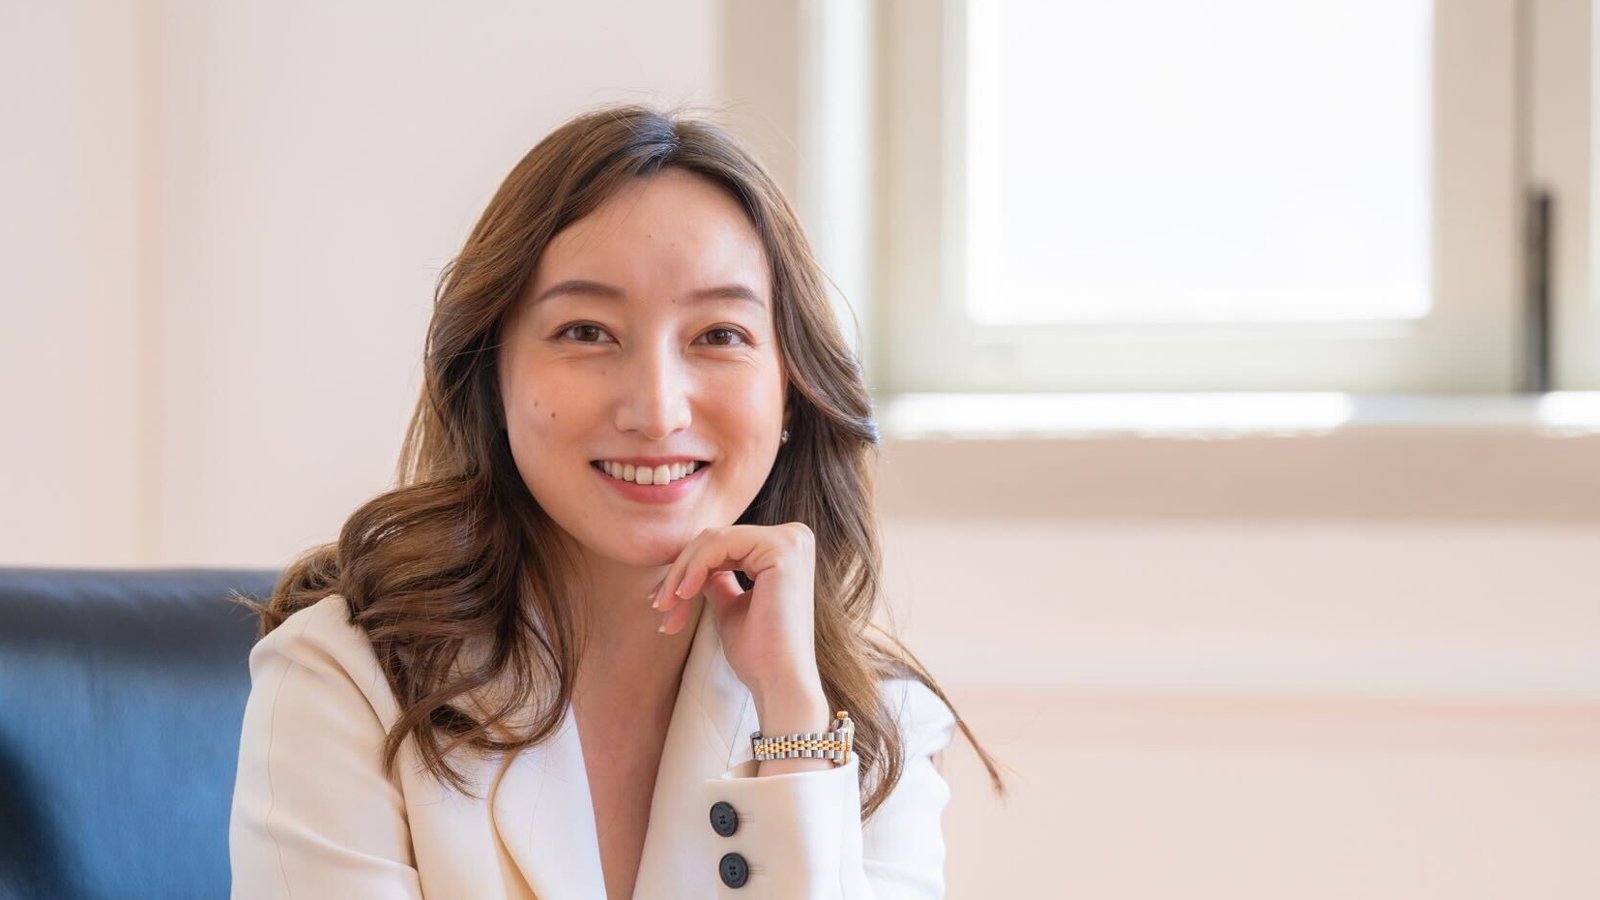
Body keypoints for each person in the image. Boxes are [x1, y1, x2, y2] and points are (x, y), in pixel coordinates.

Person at [228, 103, 1005, 899]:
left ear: (792, 394)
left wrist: (795, 736)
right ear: (492, 376)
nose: (657, 409)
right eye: (587, 332)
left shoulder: (871, 725)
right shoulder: (348, 681)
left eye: (719, 336)